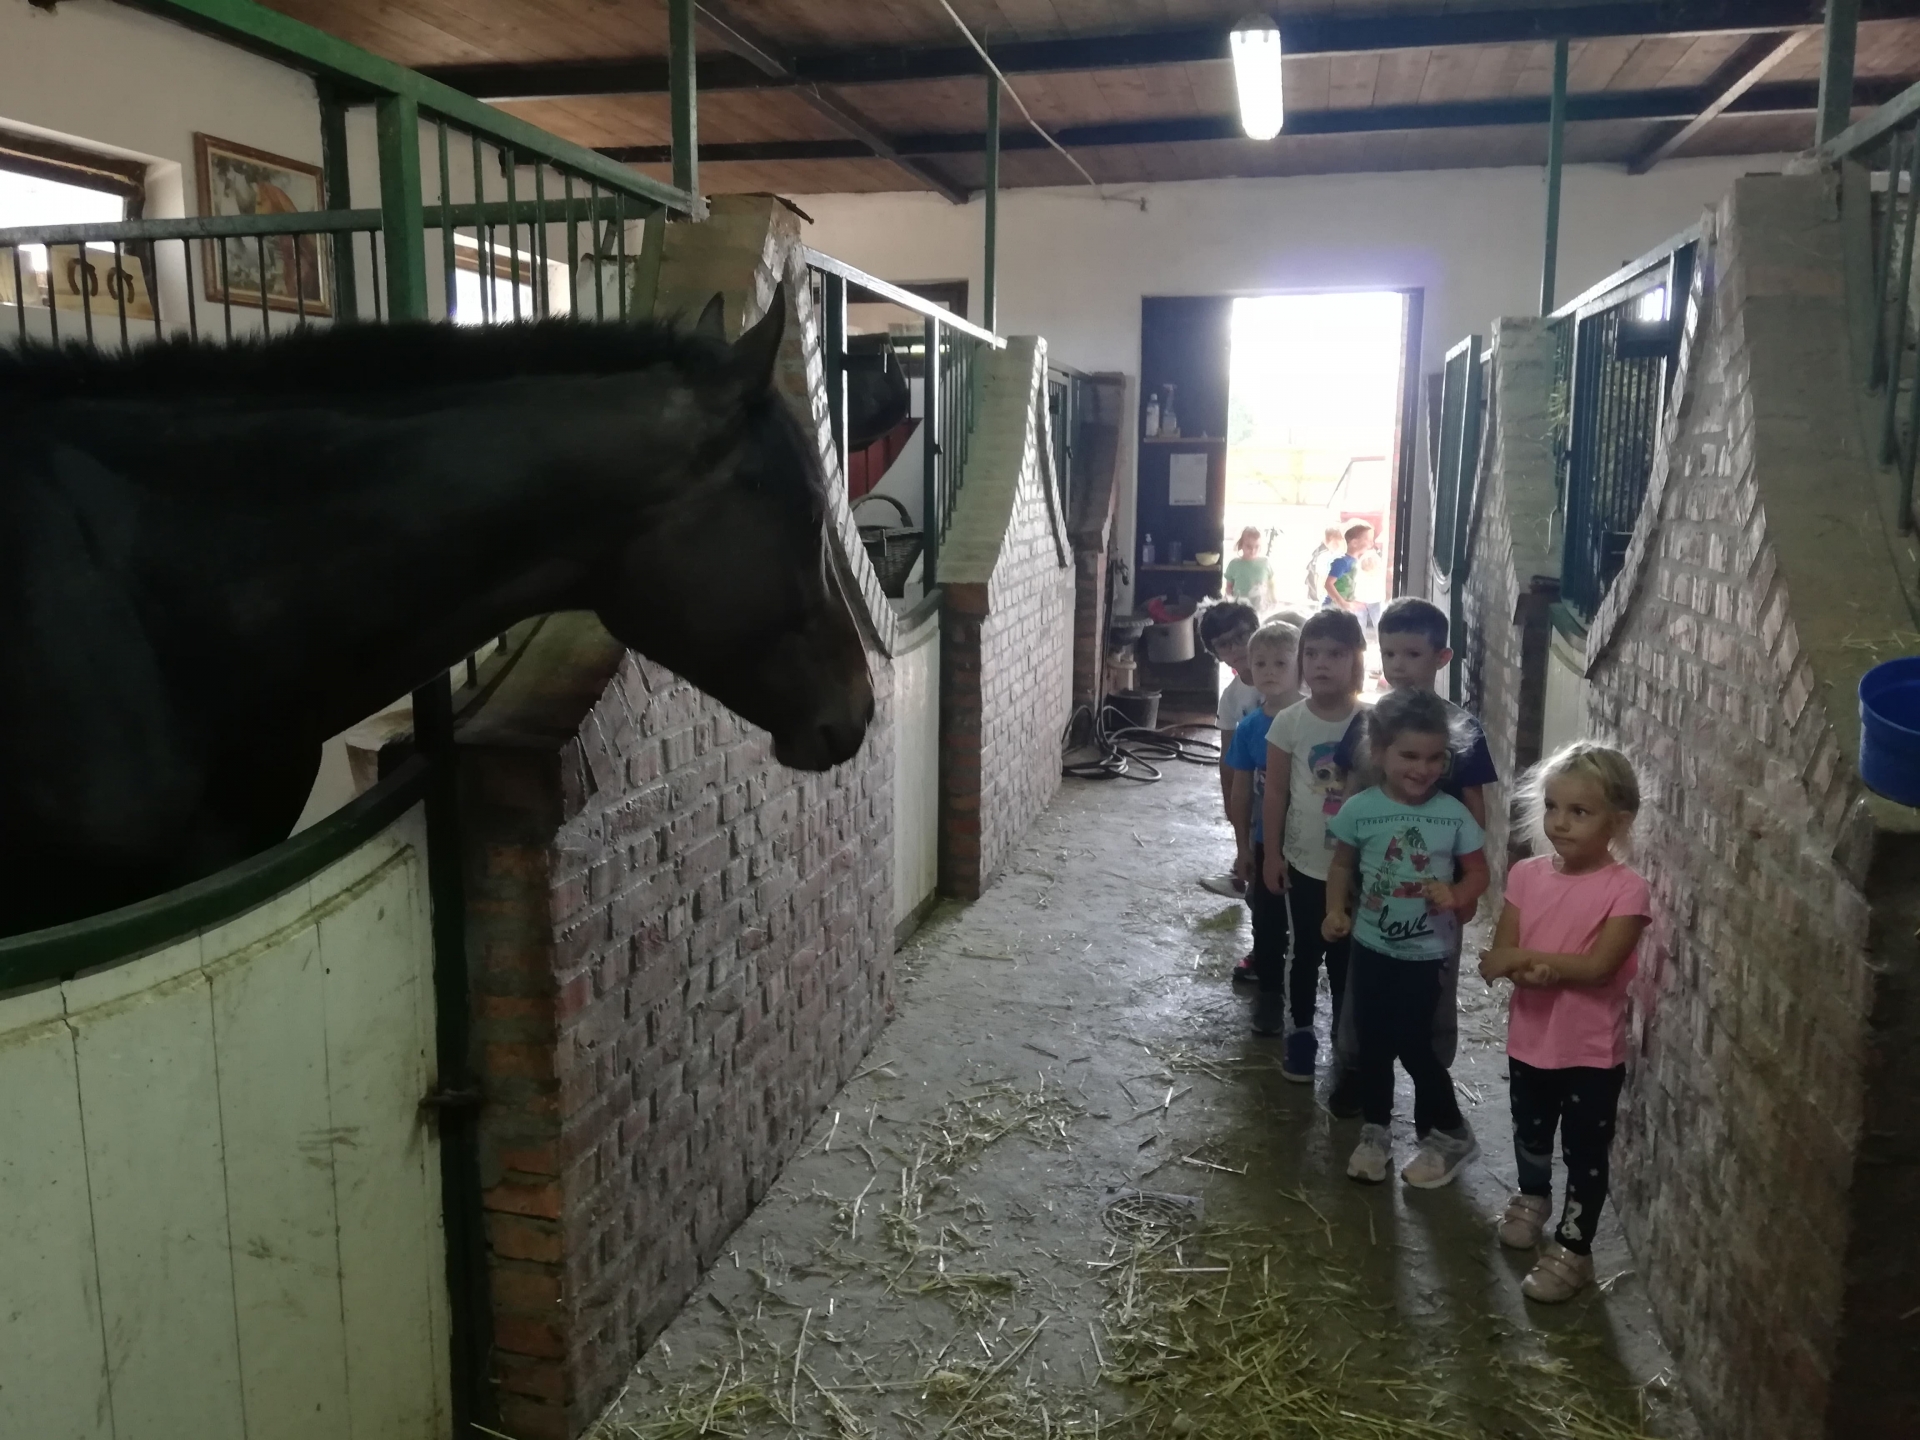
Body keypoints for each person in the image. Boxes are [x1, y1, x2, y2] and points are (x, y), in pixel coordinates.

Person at [1479, 743, 1649, 1304]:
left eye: (1580, 812)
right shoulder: (1527, 874)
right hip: (1530, 1039)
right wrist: (1524, 966)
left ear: (1617, 821)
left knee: (1583, 1150)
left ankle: (1575, 1247)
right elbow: (1501, 950)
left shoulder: (1627, 889)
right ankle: (1532, 1198)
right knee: (1529, 1131)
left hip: (1590, 1052)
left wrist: (1533, 966)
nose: (1559, 822)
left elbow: (1600, 967)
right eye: (1553, 806)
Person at [1324, 597, 1499, 1117]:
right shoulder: (1366, 724)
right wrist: (1344, 873)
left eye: (1412, 654)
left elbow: (1474, 807)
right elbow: (1351, 790)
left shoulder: (1460, 730)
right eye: (1391, 653)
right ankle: (1357, 1069)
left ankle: (1430, 1084)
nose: (1400, 666)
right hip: (1375, 881)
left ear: (1441, 658)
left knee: (1433, 990)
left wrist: (1466, 885)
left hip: (1434, 892)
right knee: (1361, 982)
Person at [1323, 689, 1488, 1187]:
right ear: (1380, 753)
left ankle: (1453, 1132)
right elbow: (1341, 865)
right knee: (1372, 1044)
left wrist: (1457, 893)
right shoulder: (1358, 809)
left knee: (1416, 1046)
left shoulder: (1453, 814)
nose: (1423, 768)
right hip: (1371, 947)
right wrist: (1335, 909)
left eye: (1436, 757)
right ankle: (1375, 1133)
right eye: (1409, 756)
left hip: (1428, 952)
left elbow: (1480, 873)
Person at [1259, 610, 1366, 1063]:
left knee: (1348, 959)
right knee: (1305, 951)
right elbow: (1277, 790)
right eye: (1312, 653)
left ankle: (1347, 1041)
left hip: (1358, 864)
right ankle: (1301, 1031)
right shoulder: (1289, 722)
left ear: (1356, 660)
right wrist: (1271, 854)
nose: (1321, 663)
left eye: (1335, 654)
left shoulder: (1372, 720)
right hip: (1304, 861)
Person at [1223, 619, 1303, 1025]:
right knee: (1267, 920)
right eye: (1261, 663)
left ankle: (1305, 992)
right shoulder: (1251, 727)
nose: (1269, 672)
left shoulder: (1315, 721)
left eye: (1280, 663)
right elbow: (1240, 791)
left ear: (1299, 666)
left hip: (1311, 843)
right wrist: (1242, 847)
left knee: (1308, 921)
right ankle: (1271, 992)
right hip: (1263, 838)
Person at [1197, 601, 1262, 908]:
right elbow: (1228, 757)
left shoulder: (1292, 677)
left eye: (1242, 636)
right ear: (1216, 654)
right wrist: (1231, 802)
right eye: (1224, 644)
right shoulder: (1232, 698)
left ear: (1257, 632)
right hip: (1257, 786)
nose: (1236, 648)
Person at [1222, 526, 1275, 614]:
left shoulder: (1265, 563)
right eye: (1249, 546)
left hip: (1261, 611)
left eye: (1256, 546)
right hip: (1239, 610)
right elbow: (1229, 587)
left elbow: (1271, 585)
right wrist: (1228, 604)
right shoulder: (1234, 564)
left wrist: (1273, 601)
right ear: (1241, 544)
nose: (1253, 550)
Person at [1323, 522, 1374, 613]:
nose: (1371, 543)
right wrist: (1341, 602)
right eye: (1368, 539)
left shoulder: (1356, 562)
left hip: (1342, 608)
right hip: (1332, 608)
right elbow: (1328, 584)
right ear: (1354, 543)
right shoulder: (1342, 562)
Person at [1354, 536, 1388, 639]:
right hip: (1364, 600)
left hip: (1371, 600)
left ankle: (1378, 640)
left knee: (1375, 622)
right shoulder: (1366, 565)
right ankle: (1362, 642)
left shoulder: (1369, 564)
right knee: (1363, 623)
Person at [1304, 526, 1343, 608]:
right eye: (1336, 542)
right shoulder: (1324, 558)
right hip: (1328, 602)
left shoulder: (1343, 558)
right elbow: (1320, 581)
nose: (1340, 545)